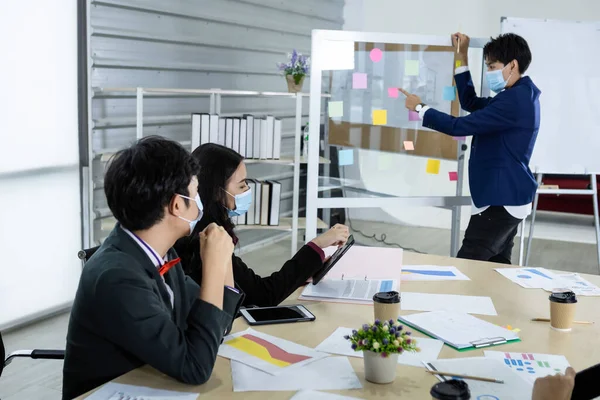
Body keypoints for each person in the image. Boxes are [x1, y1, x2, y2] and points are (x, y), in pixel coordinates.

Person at [62, 137, 244, 399]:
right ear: (177, 204)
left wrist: (223, 260)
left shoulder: (159, 249)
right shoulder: (117, 277)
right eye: (195, 194)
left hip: (155, 380)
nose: (200, 202)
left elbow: (217, 326)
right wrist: (214, 266)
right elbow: (195, 367)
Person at [400, 32, 540, 265]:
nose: (489, 72)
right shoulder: (519, 95)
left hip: (501, 200)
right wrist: (461, 56)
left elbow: (459, 126)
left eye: (492, 66)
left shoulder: (514, 101)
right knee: (495, 267)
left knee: (466, 267)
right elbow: (470, 102)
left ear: (512, 65)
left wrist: (421, 108)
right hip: (508, 196)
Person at [174, 143, 350, 307]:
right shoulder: (210, 236)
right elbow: (264, 295)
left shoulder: (201, 227)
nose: (248, 192)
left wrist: (308, 267)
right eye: (242, 186)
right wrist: (317, 245)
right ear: (218, 191)